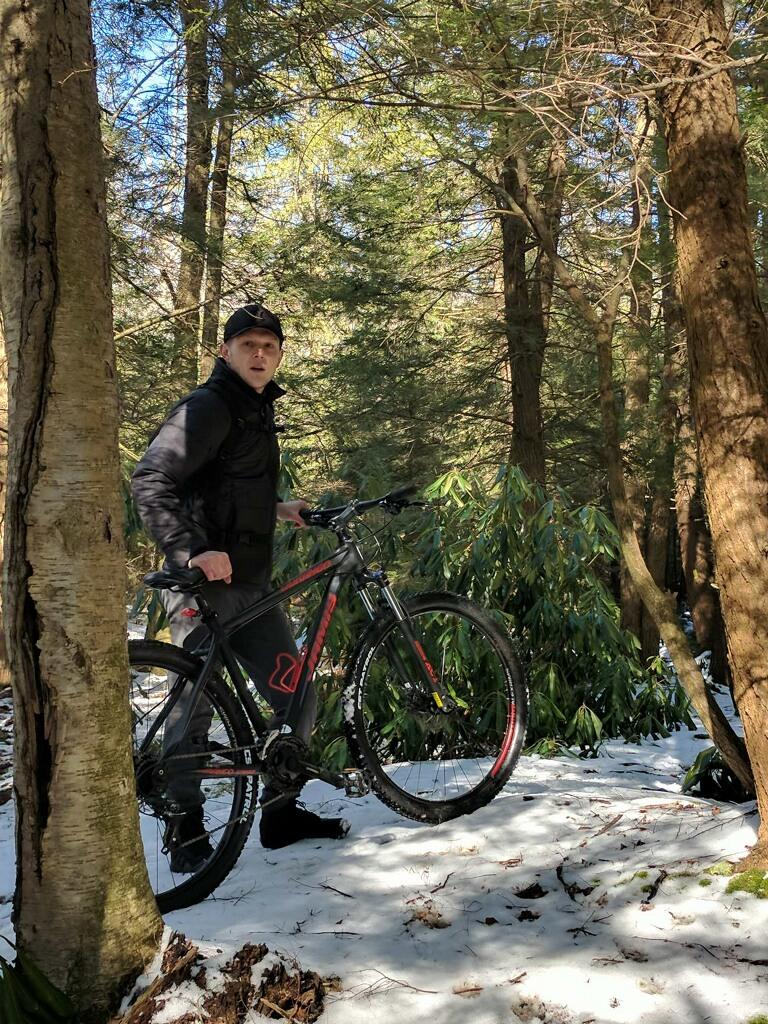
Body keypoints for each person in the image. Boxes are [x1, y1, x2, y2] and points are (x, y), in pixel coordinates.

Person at [132, 302, 349, 872]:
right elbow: (152, 480)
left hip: (252, 584)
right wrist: (192, 551)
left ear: (279, 356)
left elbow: (222, 486)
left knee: (297, 694)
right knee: (194, 705)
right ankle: (185, 827)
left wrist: (277, 508)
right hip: (203, 585)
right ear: (224, 351)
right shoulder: (207, 407)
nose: (259, 353)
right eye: (247, 344)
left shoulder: (252, 409)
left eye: (269, 346)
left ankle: (280, 813)